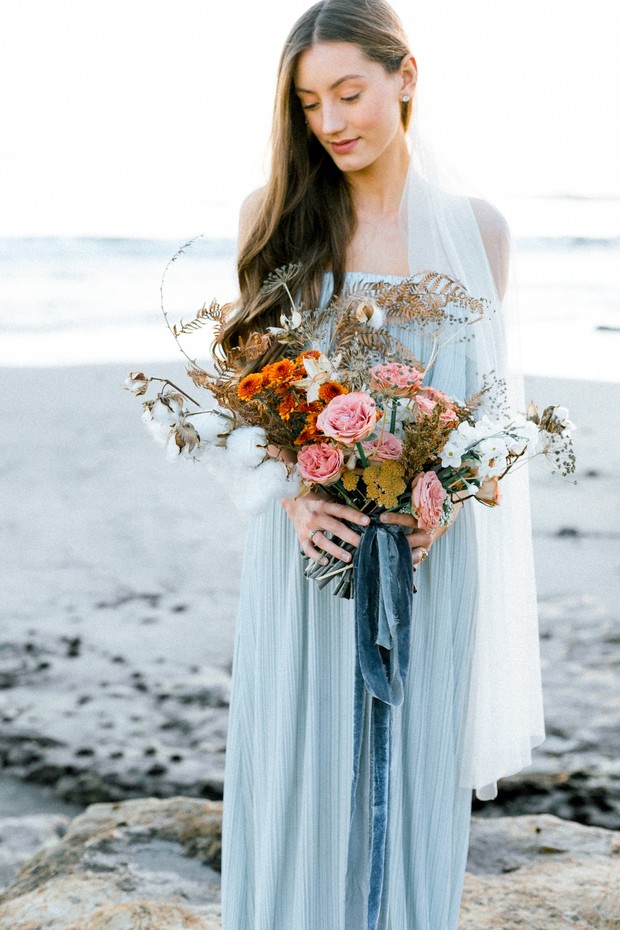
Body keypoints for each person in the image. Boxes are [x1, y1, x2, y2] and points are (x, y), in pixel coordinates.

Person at [219, 2, 544, 928]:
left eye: (349, 92)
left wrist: (447, 493)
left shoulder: (477, 232)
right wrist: (286, 498)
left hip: (428, 555)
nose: (331, 122)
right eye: (310, 103)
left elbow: (486, 414)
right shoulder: (274, 219)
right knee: (297, 775)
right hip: (309, 551)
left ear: (406, 76)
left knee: (412, 781)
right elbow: (244, 399)